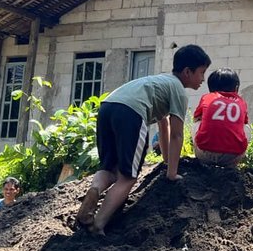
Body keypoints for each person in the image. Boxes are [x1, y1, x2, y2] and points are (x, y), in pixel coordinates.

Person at [75, 44, 211, 235]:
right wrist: (172, 173)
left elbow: (164, 126)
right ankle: (97, 225)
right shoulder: (178, 90)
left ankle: (94, 191)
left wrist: (166, 162)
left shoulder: (161, 81)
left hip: (107, 107)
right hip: (130, 112)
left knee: (109, 169)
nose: (203, 80)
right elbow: (177, 135)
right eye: (201, 73)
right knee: (128, 177)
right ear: (188, 72)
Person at [193, 68, 249, 167]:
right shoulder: (242, 102)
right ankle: (232, 166)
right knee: (246, 127)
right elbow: (244, 123)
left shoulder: (207, 97)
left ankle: (203, 164)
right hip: (233, 157)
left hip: (205, 154)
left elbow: (196, 118)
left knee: (198, 121)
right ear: (236, 88)